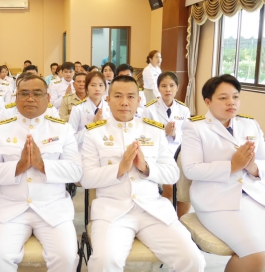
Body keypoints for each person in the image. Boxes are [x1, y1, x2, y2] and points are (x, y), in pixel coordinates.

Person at [81, 75, 205, 272]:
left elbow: (172, 174)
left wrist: (147, 168)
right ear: (108, 99)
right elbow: (86, 179)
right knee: (104, 263)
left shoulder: (154, 131)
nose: (124, 102)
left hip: (152, 210)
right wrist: (119, 168)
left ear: (139, 101)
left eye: (131, 97)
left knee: (193, 260)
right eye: (118, 96)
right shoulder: (93, 133)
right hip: (113, 212)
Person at [0, 74, 83, 271]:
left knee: (67, 257)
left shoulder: (62, 129)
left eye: (37, 93)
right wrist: (18, 167)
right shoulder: (0, 130)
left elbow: (76, 171)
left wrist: (42, 165)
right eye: (24, 93)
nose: (30, 98)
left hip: (53, 208)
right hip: (11, 209)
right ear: (16, 97)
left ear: (47, 98)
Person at [181, 74, 265, 272]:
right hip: (216, 201)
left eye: (235, 97)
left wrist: (253, 167)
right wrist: (232, 166)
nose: (231, 103)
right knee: (256, 255)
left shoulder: (249, 124)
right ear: (208, 101)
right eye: (223, 98)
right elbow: (191, 169)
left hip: (253, 195)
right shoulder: (195, 127)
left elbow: (263, 161)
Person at [142, 72, 191, 217]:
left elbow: (188, 135)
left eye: (171, 86)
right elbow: (146, 136)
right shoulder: (149, 109)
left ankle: (180, 221)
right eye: (163, 86)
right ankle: (166, 218)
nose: (168, 89)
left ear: (177, 88)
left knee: (184, 191)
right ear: (158, 88)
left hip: (179, 154)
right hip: (159, 155)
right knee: (169, 187)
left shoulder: (184, 110)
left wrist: (175, 133)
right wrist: (164, 132)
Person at [68, 72, 111, 150]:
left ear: (105, 89)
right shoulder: (78, 108)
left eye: (101, 85)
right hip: (84, 151)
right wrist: (93, 125)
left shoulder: (110, 107)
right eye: (93, 85)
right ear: (86, 88)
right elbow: (71, 139)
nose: (97, 89)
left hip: (106, 151)